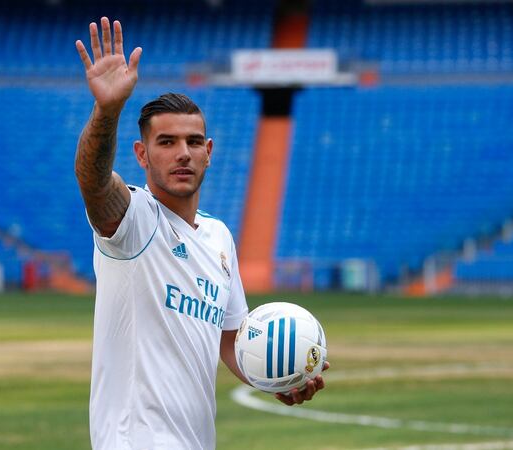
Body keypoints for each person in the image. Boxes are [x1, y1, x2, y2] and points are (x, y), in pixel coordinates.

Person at [74, 17, 328, 450]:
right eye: (166, 142)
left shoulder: (218, 238)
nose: (183, 154)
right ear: (141, 153)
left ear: (208, 153)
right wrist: (107, 110)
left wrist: (275, 377)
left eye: (193, 142)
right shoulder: (135, 222)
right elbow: (95, 182)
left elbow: (230, 338)